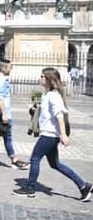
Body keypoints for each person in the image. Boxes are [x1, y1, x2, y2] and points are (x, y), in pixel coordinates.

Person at [13, 68, 93, 200]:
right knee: (55, 164)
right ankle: (83, 186)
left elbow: (59, 115)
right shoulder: (48, 95)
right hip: (50, 134)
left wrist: (63, 134)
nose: (40, 78)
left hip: (50, 135)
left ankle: (30, 188)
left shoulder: (53, 96)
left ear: (49, 80)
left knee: (35, 159)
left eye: (42, 76)